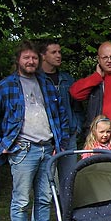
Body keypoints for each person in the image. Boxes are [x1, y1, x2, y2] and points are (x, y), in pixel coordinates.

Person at [0, 40, 69, 221]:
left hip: (48, 149)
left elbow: (60, 114)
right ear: (18, 60)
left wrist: (60, 141)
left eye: (34, 58)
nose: (31, 61)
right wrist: (0, 145)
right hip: (23, 151)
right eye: (26, 58)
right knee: (21, 201)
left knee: (45, 198)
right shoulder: (6, 86)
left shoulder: (45, 83)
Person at [39, 40, 84, 180]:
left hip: (68, 135)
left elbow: (77, 107)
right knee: (45, 180)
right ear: (43, 56)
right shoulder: (36, 79)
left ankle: (65, 203)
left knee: (69, 179)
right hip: (46, 137)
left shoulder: (67, 79)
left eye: (59, 52)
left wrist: (77, 127)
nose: (58, 55)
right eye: (53, 52)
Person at [70, 41, 111, 132]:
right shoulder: (95, 81)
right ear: (98, 59)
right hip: (101, 137)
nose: (109, 61)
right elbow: (75, 93)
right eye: (105, 57)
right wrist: (96, 77)